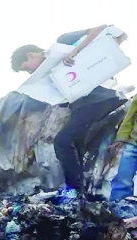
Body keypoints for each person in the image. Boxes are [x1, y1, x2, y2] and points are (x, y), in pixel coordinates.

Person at [11, 25, 129, 192]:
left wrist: (74, 52)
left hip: (99, 97)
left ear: (31, 55)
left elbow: (104, 28)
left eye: (27, 68)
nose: (30, 72)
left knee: (63, 140)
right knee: (77, 144)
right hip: (83, 103)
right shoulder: (48, 75)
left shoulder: (63, 43)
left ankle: (74, 192)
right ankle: (84, 192)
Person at [109, 99, 137, 200]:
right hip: (133, 144)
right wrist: (121, 138)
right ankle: (115, 210)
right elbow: (130, 115)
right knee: (122, 180)